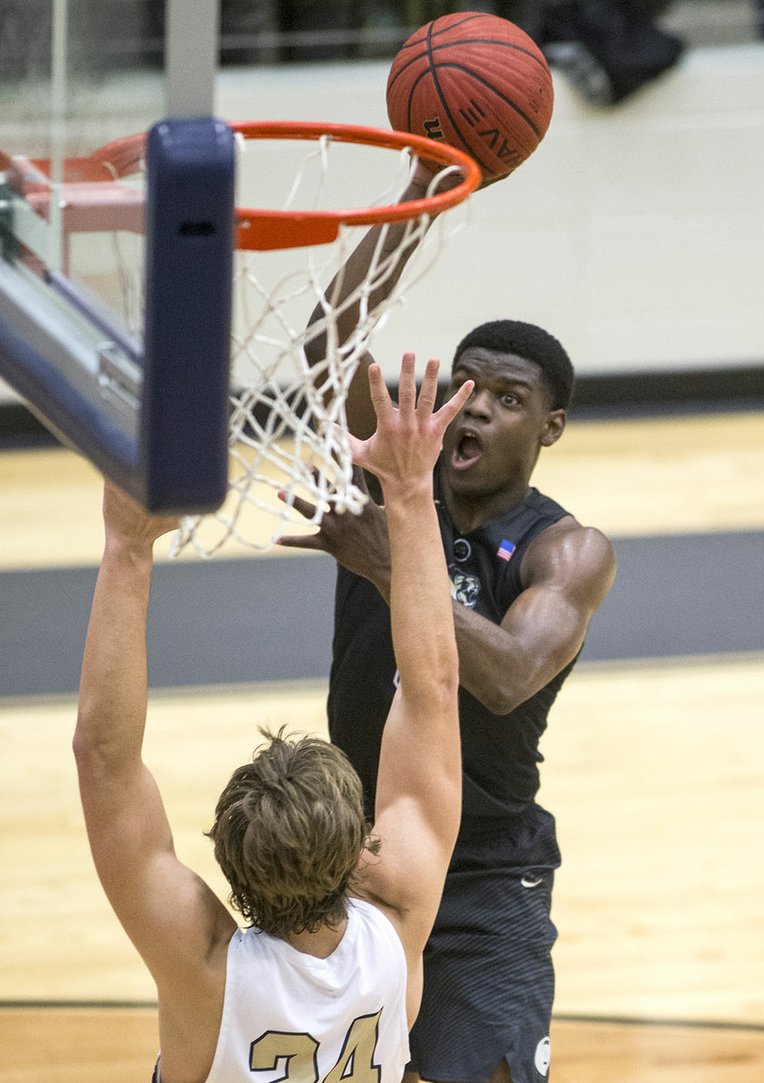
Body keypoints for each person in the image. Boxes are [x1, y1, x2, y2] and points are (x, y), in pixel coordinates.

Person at [278, 167, 617, 1083]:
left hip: (482, 859)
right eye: (467, 389)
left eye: (510, 399)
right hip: (346, 842)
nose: (480, 409)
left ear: (550, 427)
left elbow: (509, 673)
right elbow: (325, 346)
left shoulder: (567, 549)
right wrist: (420, 191)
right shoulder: (393, 477)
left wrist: (386, 559)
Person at [72, 355, 474, 1083]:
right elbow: (434, 687)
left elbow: (104, 756)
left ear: (227, 858)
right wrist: (412, 493)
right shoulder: (399, 918)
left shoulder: (206, 973)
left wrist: (127, 544)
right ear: (361, 844)